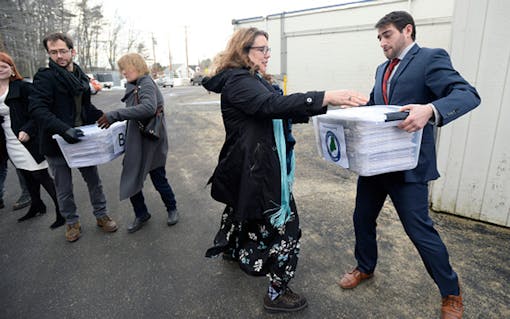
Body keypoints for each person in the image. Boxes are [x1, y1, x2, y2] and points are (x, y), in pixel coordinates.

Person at [202, 27, 368, 313]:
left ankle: (231, 248)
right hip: (257, 170)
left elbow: (279, 110)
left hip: (251, 165)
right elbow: (271, 105)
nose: (267, 55)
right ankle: (276, 292)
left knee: (240, 209)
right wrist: (326, 96)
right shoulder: (239, 83)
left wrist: (327, 109)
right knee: (287, 228)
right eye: (261, 49)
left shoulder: (251, 78)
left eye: (268, 49)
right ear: (243, 52)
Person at [336, 11, 480, 319]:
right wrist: (360, 106)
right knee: (362, 218)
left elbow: (467, 94)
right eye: (379, 38)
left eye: (387, 35)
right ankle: (365, 267)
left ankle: (451, 293)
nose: (382, 42)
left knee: (420, 232)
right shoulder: (382, 69)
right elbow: (381, 106)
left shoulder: (430, 59)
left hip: (408, 167)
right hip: (376, 163)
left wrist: (430, 109)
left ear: (407, 31)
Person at [29, 33, 118, 242]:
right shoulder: (45, 77)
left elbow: (85, 107)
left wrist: (105, 117)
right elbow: (37, 109)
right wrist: (62, 129)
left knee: (94, 181)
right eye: (53, 52)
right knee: (64, 188)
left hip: (82, 139)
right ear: (49, 54)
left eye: (62, 51)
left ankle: (101, 215)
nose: (58, 56)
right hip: (57, 142)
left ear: (72, 51)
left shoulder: (80, 76)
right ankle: (72, 222)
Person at [97, 53, 179, 233]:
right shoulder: (135, 84)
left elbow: (148, 108)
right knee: (132, 177)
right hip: (137, 141)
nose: (123, 72)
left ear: (137, 65)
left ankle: (172, 208)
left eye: (126, 67)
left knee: (159, 178)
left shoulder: (146, 83)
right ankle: (142, 214)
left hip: (151, 141)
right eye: (122, 69)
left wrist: (115, 115)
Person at [0, 52, 65, 228]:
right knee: (26, 175)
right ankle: (37, 205)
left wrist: (28, 129)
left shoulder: (22, 87)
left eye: (4, 66)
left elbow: (39, 111)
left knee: (41, 175)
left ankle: (62, 211)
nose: (0, 70)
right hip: (9, 139)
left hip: (28, 139)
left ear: (12, 69)